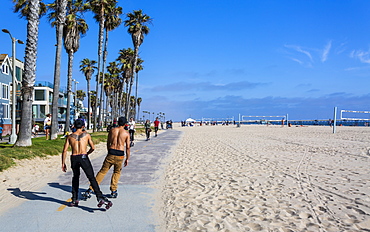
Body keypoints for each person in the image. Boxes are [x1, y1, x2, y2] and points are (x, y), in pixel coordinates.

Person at [61, 119, 112, 208]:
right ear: (83, 126)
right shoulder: (87, 135)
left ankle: (74, 198)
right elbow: (93, 147)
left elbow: (64, 151)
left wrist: (63, 163)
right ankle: (99, 197)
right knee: (91, 178)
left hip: (74, 157)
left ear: (74, 126)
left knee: (75, 177)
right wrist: (87, 153)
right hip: (83, 157)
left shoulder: (69, 137)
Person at [83, 116, 130, 199]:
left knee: (103, 171)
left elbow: (108, 142)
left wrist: (109, 151)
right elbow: (128, 147)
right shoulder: (126, 133)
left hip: (111, 152)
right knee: (116, 172)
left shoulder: (112, 130)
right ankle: (113, 191)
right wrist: (127, 158)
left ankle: (91, 189)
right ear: (125, 124)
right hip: (120, 154)